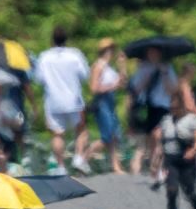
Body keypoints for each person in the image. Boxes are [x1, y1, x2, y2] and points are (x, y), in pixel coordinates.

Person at [34, 26, 91, 175]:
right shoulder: (75, 55)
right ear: (66, 40)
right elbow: (85, 74)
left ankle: (61, 166)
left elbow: (38, 79)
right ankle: (78, 157)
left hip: (53, 101)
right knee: (81, 129)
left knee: (57, 134)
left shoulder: (44, 57)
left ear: (52, 40)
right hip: (73, 99)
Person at [126, 47, 178, 180]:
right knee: (150, 141)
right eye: (150, 52)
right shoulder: (143, 68)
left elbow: (172, 90)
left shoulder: (168, 67)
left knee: (159, 136)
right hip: (147, 107)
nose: (153, 55)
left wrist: (164, 73)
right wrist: (148, 76)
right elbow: (135, 90)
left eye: (155, 52)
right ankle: (154, 169)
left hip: (163, 106)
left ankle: (160, 168)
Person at [160, 92, 196, 209]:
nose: (173, 110)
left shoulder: (192, 120)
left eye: (176, 107)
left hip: (187, 160)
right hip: (171, 160)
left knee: (190, 192)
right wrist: (158, 162)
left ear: (182, 106)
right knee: (171, 191)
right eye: (171, 107)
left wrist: (194, 150)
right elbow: (162, 142)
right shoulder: (166, 120)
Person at [86, 38, 127, 174]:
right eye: (110, 49)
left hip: (110, 101)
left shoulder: (109, 67)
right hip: (102, 101)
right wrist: (112, 86)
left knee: (114, 135)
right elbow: (93, 88)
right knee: (107, 136)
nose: (112, 52)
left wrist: (122, 66)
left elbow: (122, 83)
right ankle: (83, 158)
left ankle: (115, 165)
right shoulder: (98, 66)